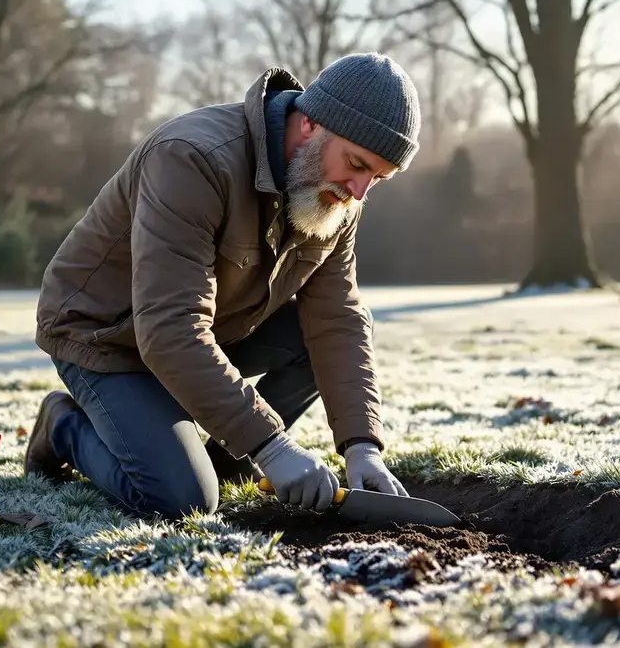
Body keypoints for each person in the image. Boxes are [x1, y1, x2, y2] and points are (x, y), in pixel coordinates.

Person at [23, 53, 420, 520]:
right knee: (182, 500)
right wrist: (271, 447)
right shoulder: (191, 158)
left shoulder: (337, 195)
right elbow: (170, 329)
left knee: (313, 338)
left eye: (378, 178)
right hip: (106, 337)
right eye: (357, 164)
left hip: (211, 330)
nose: (360, 191)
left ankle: (216, 462)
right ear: (311, 123)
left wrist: (361, 446)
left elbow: (338, 319)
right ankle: (62, 425)